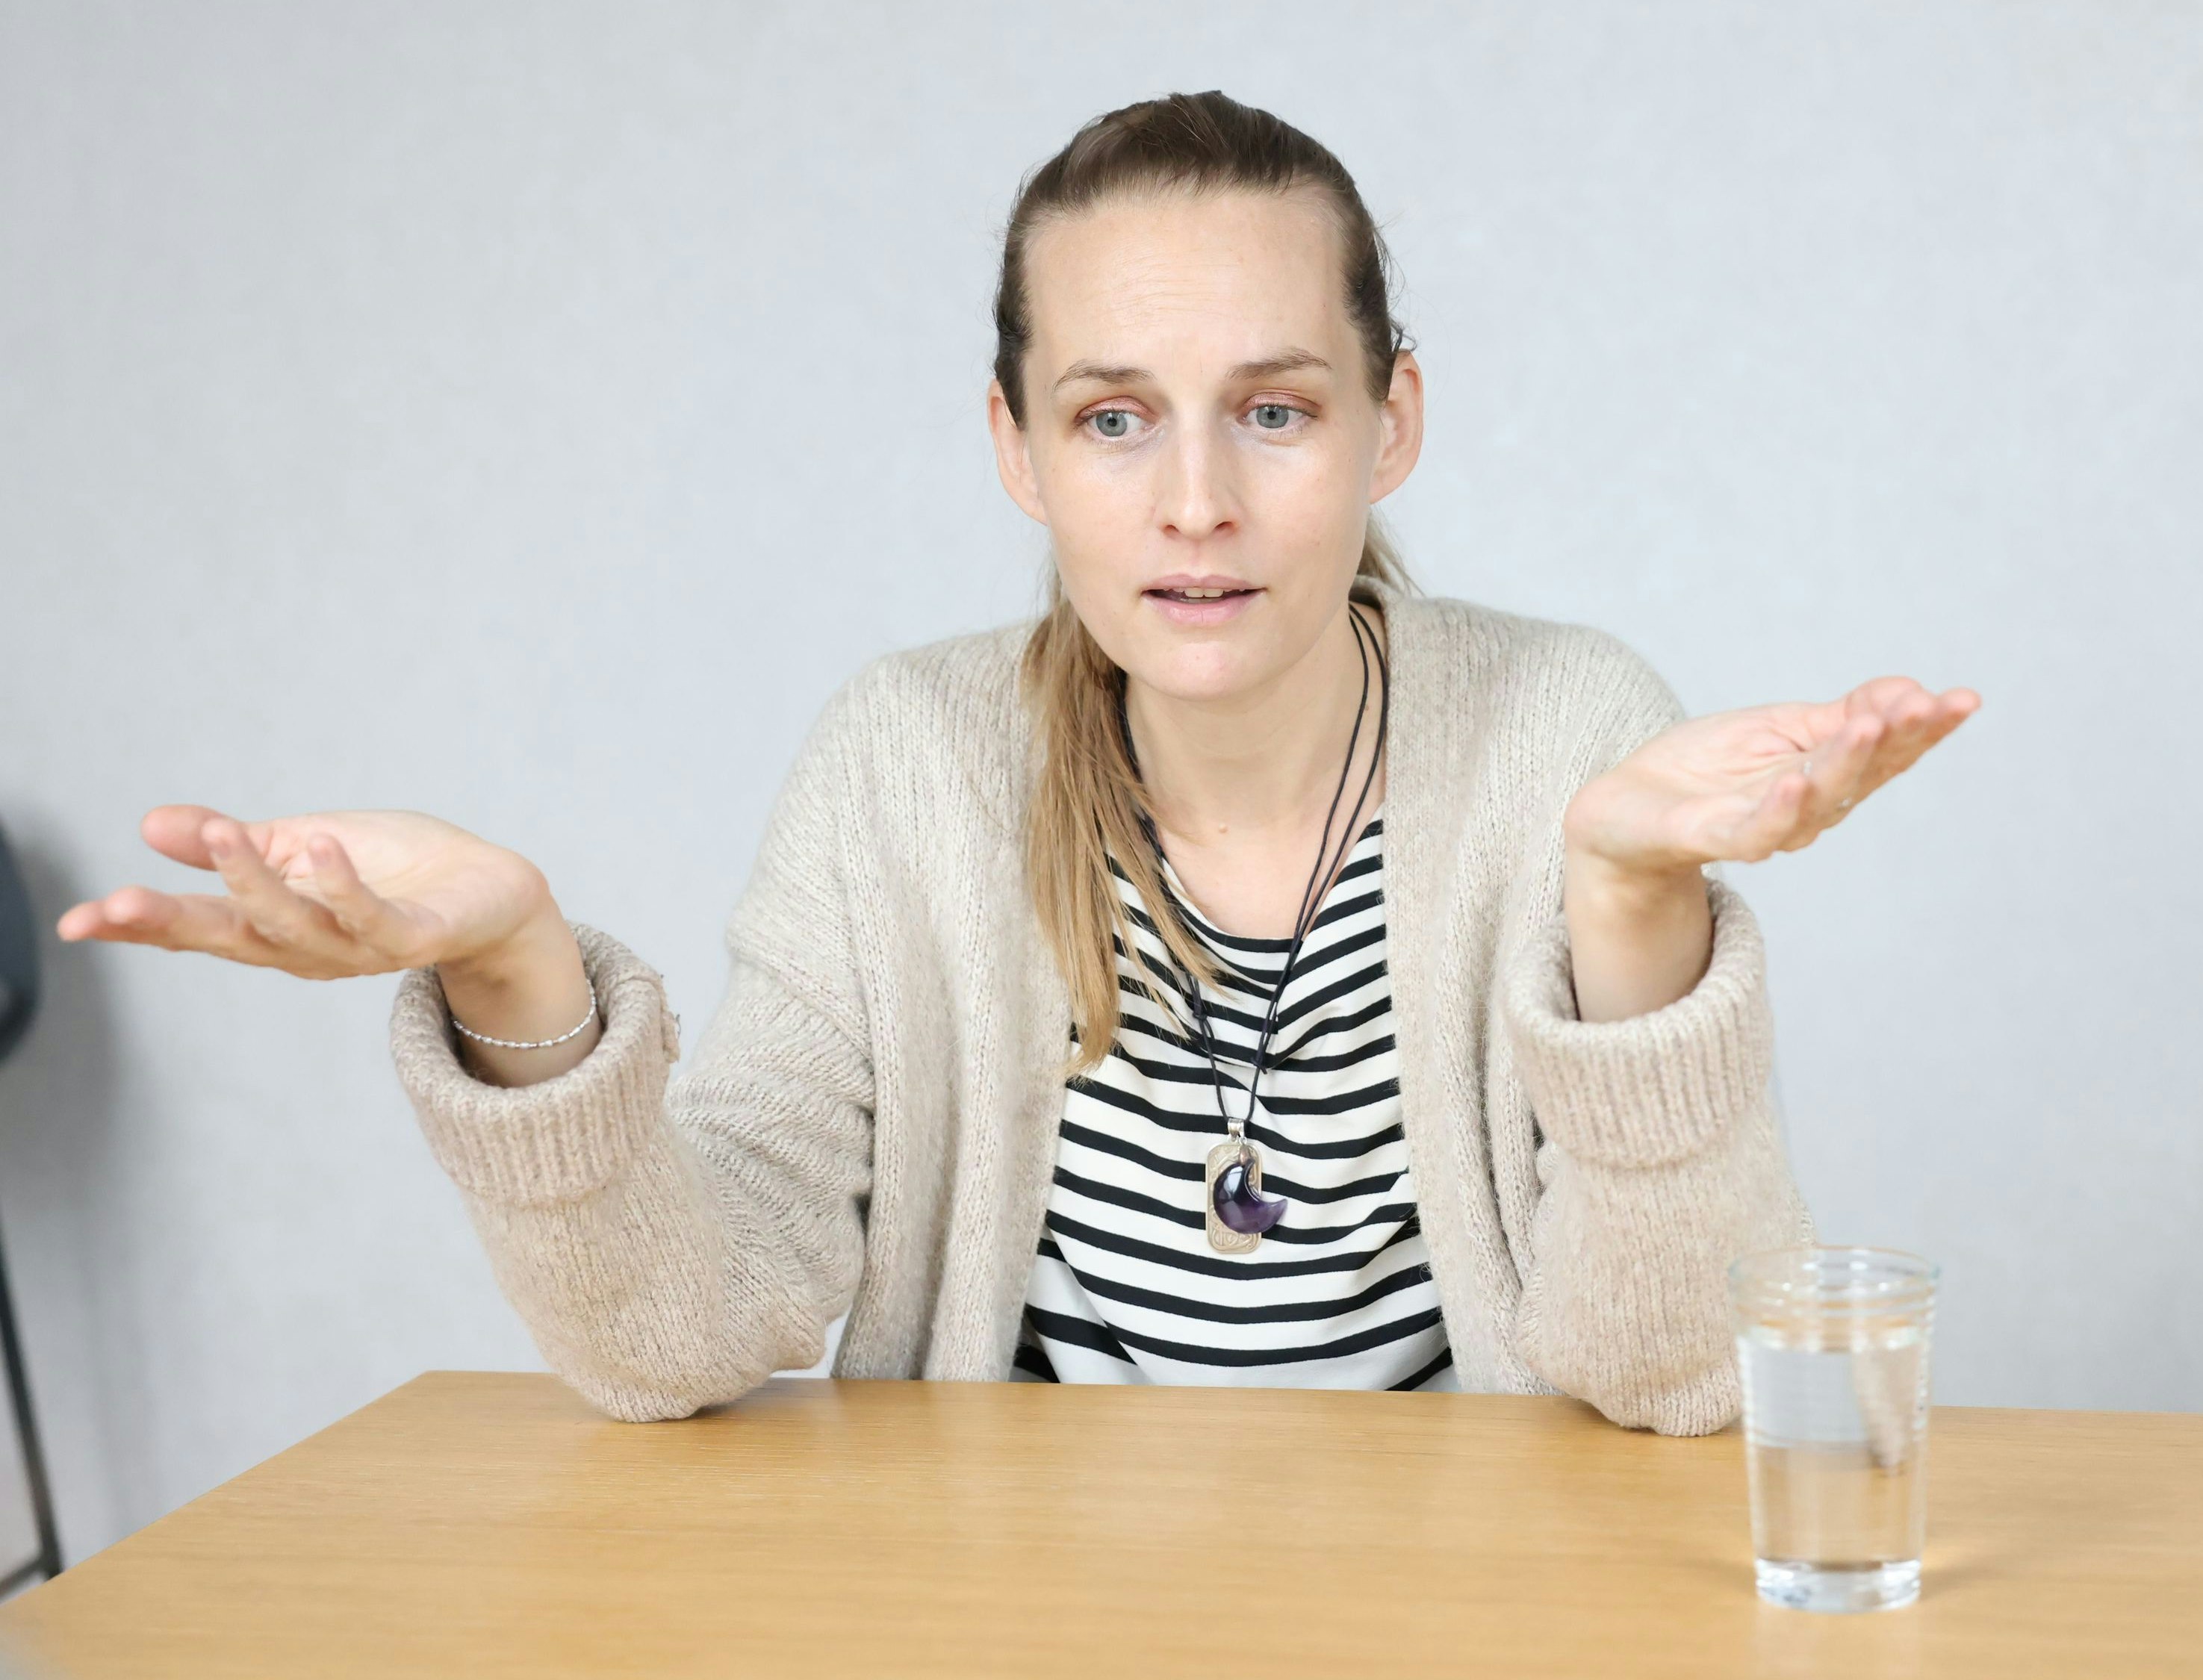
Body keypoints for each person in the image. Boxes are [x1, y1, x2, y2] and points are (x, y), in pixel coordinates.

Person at [57, 92, 1976, 1435]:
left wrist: (1634, 917)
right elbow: (687, 1332)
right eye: (1114, 416)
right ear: (1016, 448)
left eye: (1277, 409)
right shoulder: (905, 765)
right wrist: (516, 977)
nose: (1199, 501)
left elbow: (1676, 1384)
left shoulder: (1566, 733)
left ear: (1394, 422)